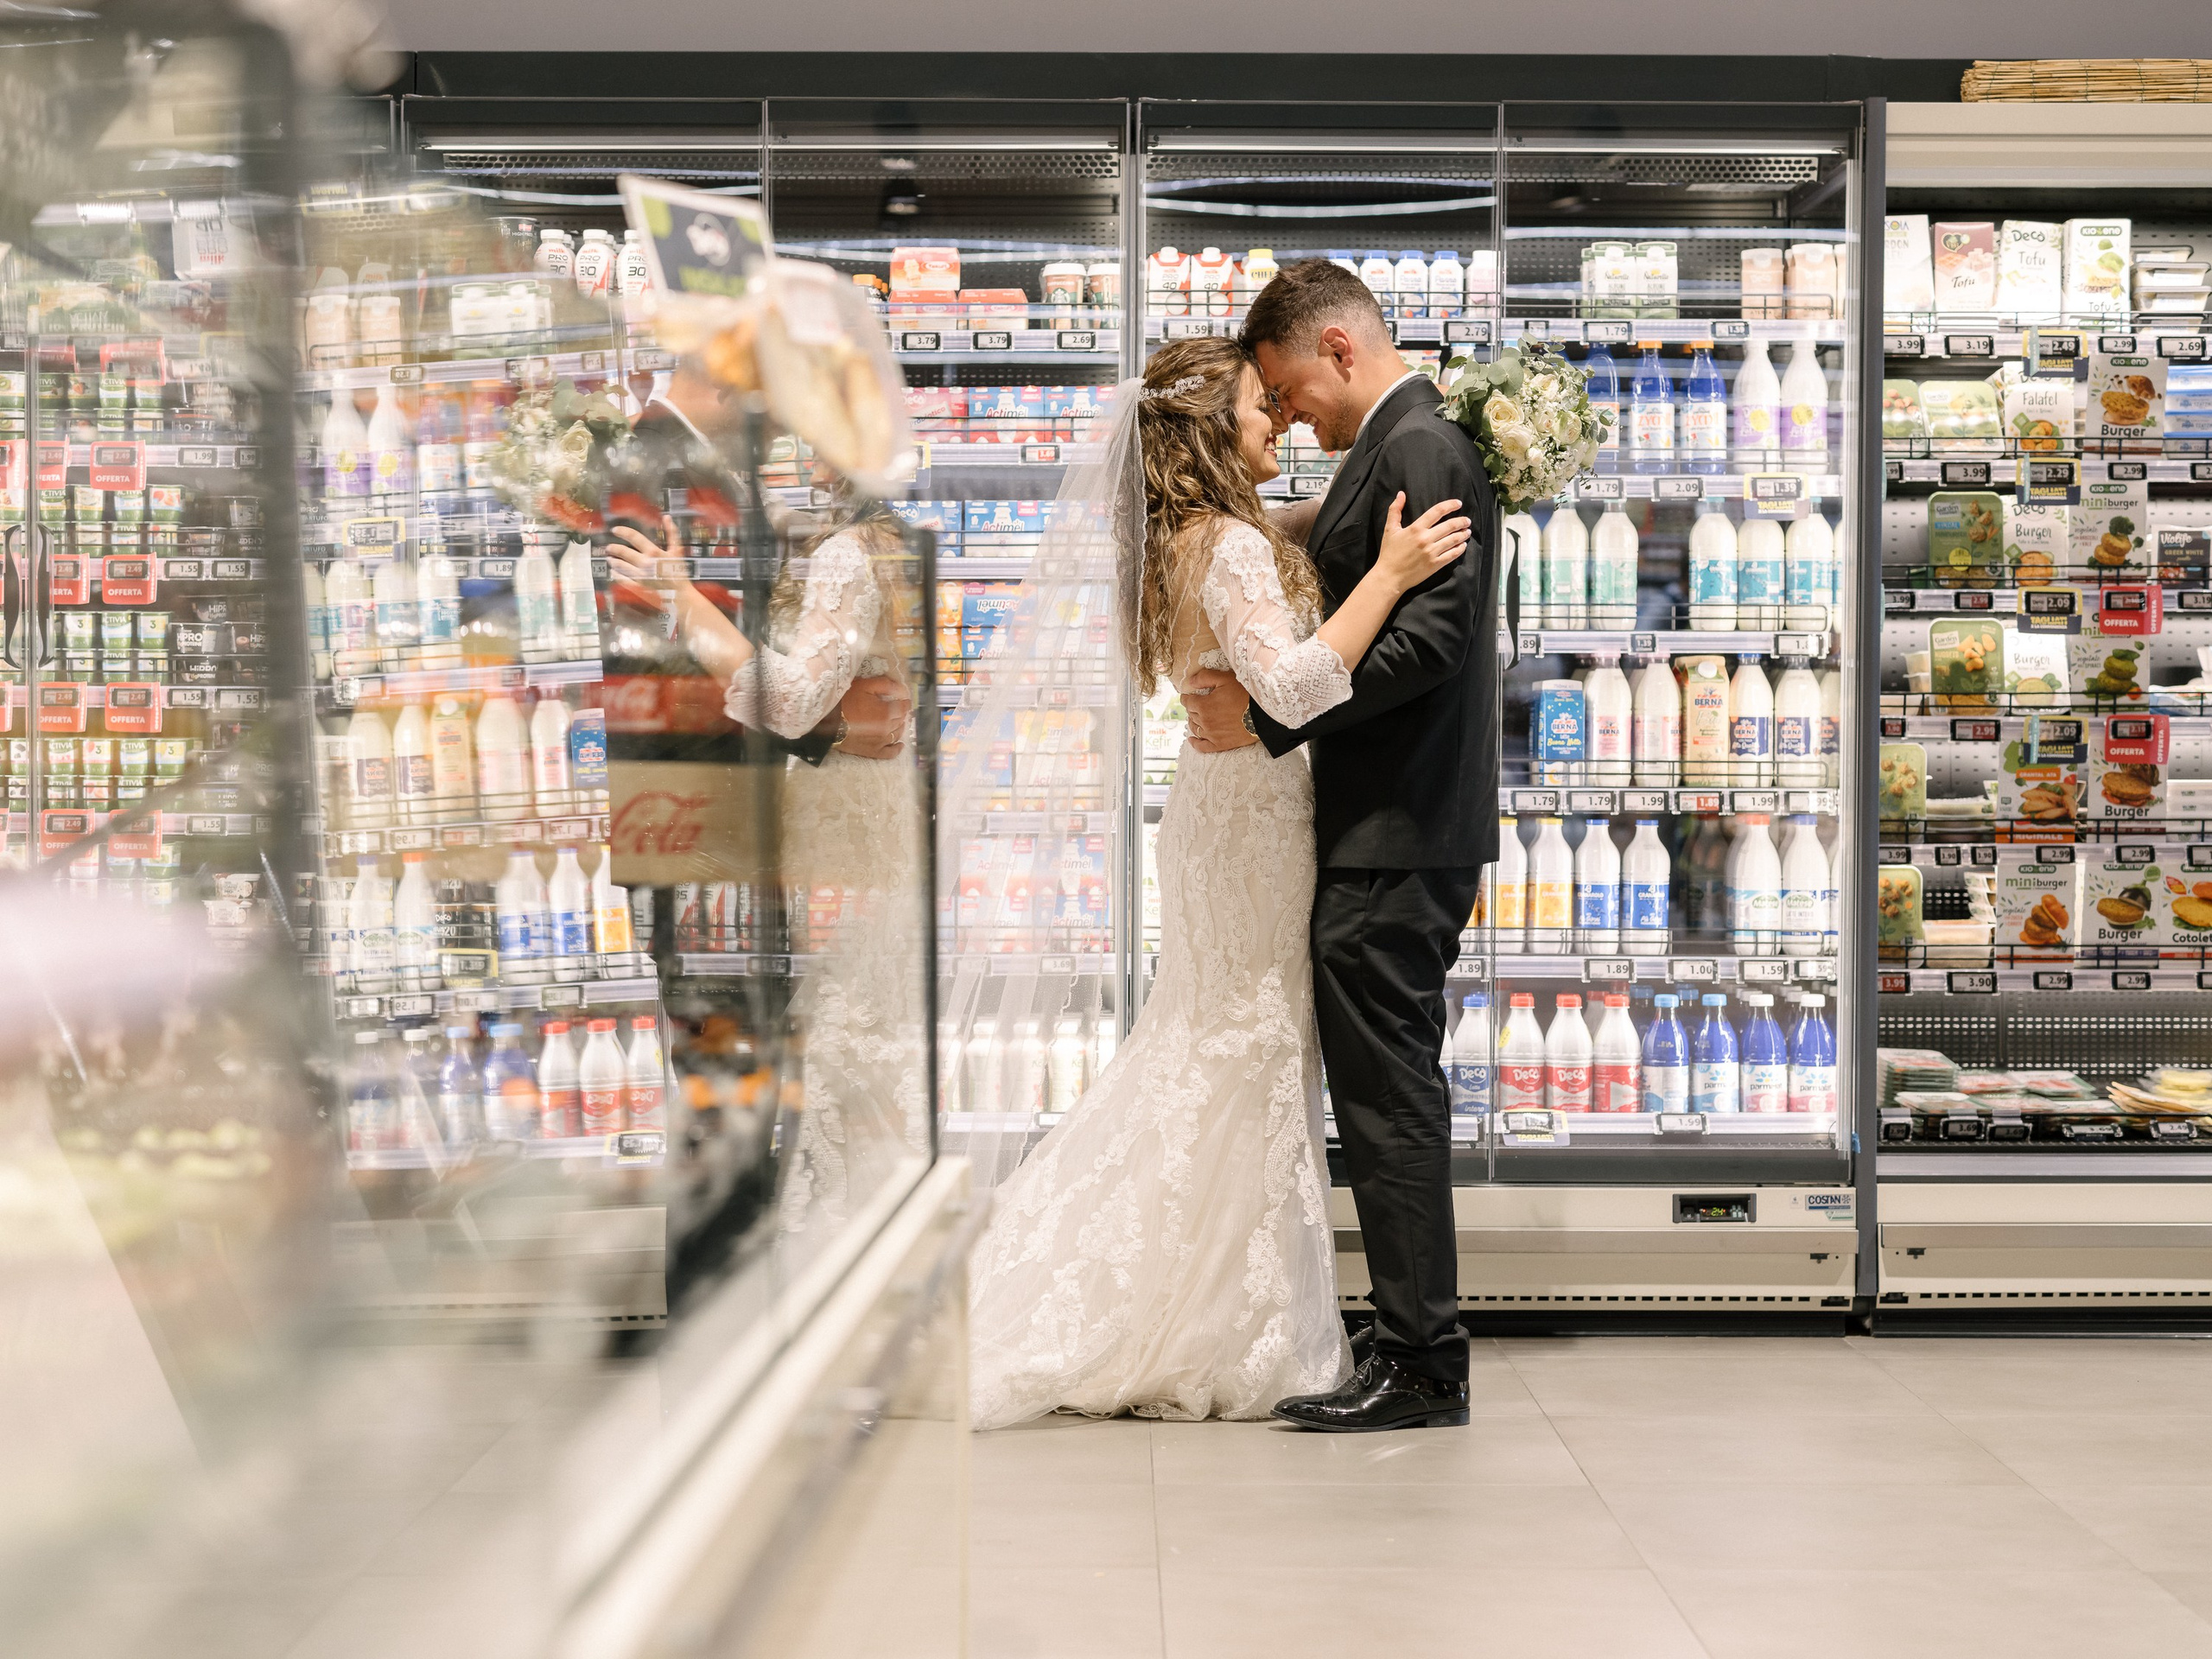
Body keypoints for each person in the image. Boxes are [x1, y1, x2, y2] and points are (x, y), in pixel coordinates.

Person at [966, 337, 1470, 1430]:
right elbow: (1292, 685)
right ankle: (1215, 1318)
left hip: (1213, 811)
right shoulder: (1231, 544)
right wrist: (1388, 576)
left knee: (1211, 1045)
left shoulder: (1181, 536)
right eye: (1256, 406)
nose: (1275, 419)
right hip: (1255, 820)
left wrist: (1344, 512)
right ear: (1208, 434)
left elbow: (1281, 546)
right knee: (1245, 1048)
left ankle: (1191, 1301)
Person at [1183, 259, 1497, 1432]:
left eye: (1286, 390)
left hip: (1401, 824)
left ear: (1338, 349)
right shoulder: (1394, 448)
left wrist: (1276, 714)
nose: (1288, 415)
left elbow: (1432, 644)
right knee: (1377, 1087)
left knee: (1387, 1093)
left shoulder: (1423, 448)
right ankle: (1407, 1328)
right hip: (1385, 820)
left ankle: (1423, 1359)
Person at [606, 375, 930, 1233]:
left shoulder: (798, 520)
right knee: (751, 1098)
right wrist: (834, 725)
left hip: (773, 828)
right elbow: (677, 683)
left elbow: (774, 672)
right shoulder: (655, 470)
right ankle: (760, 1289)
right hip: (719, 826)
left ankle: (789, 1273)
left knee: (791, 1078)